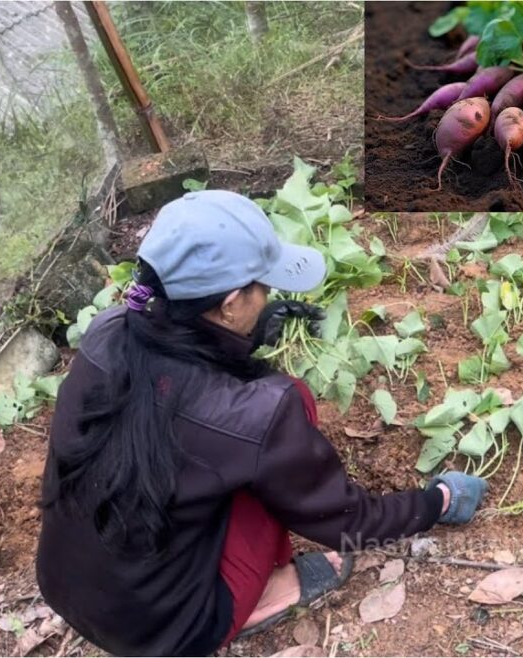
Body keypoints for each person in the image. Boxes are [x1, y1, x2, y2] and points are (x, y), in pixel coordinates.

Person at [35, 190, 488, 656]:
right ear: (230, 303)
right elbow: (345, 521)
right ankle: (261, 594)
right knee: (287, 416)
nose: (269, 295)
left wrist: (246, 336)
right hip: (167, 630)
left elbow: (176, 382)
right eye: (263, 289)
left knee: (242, 449)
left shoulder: (108, 332)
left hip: (68, 587)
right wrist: (438, 502)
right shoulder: (258, 414)